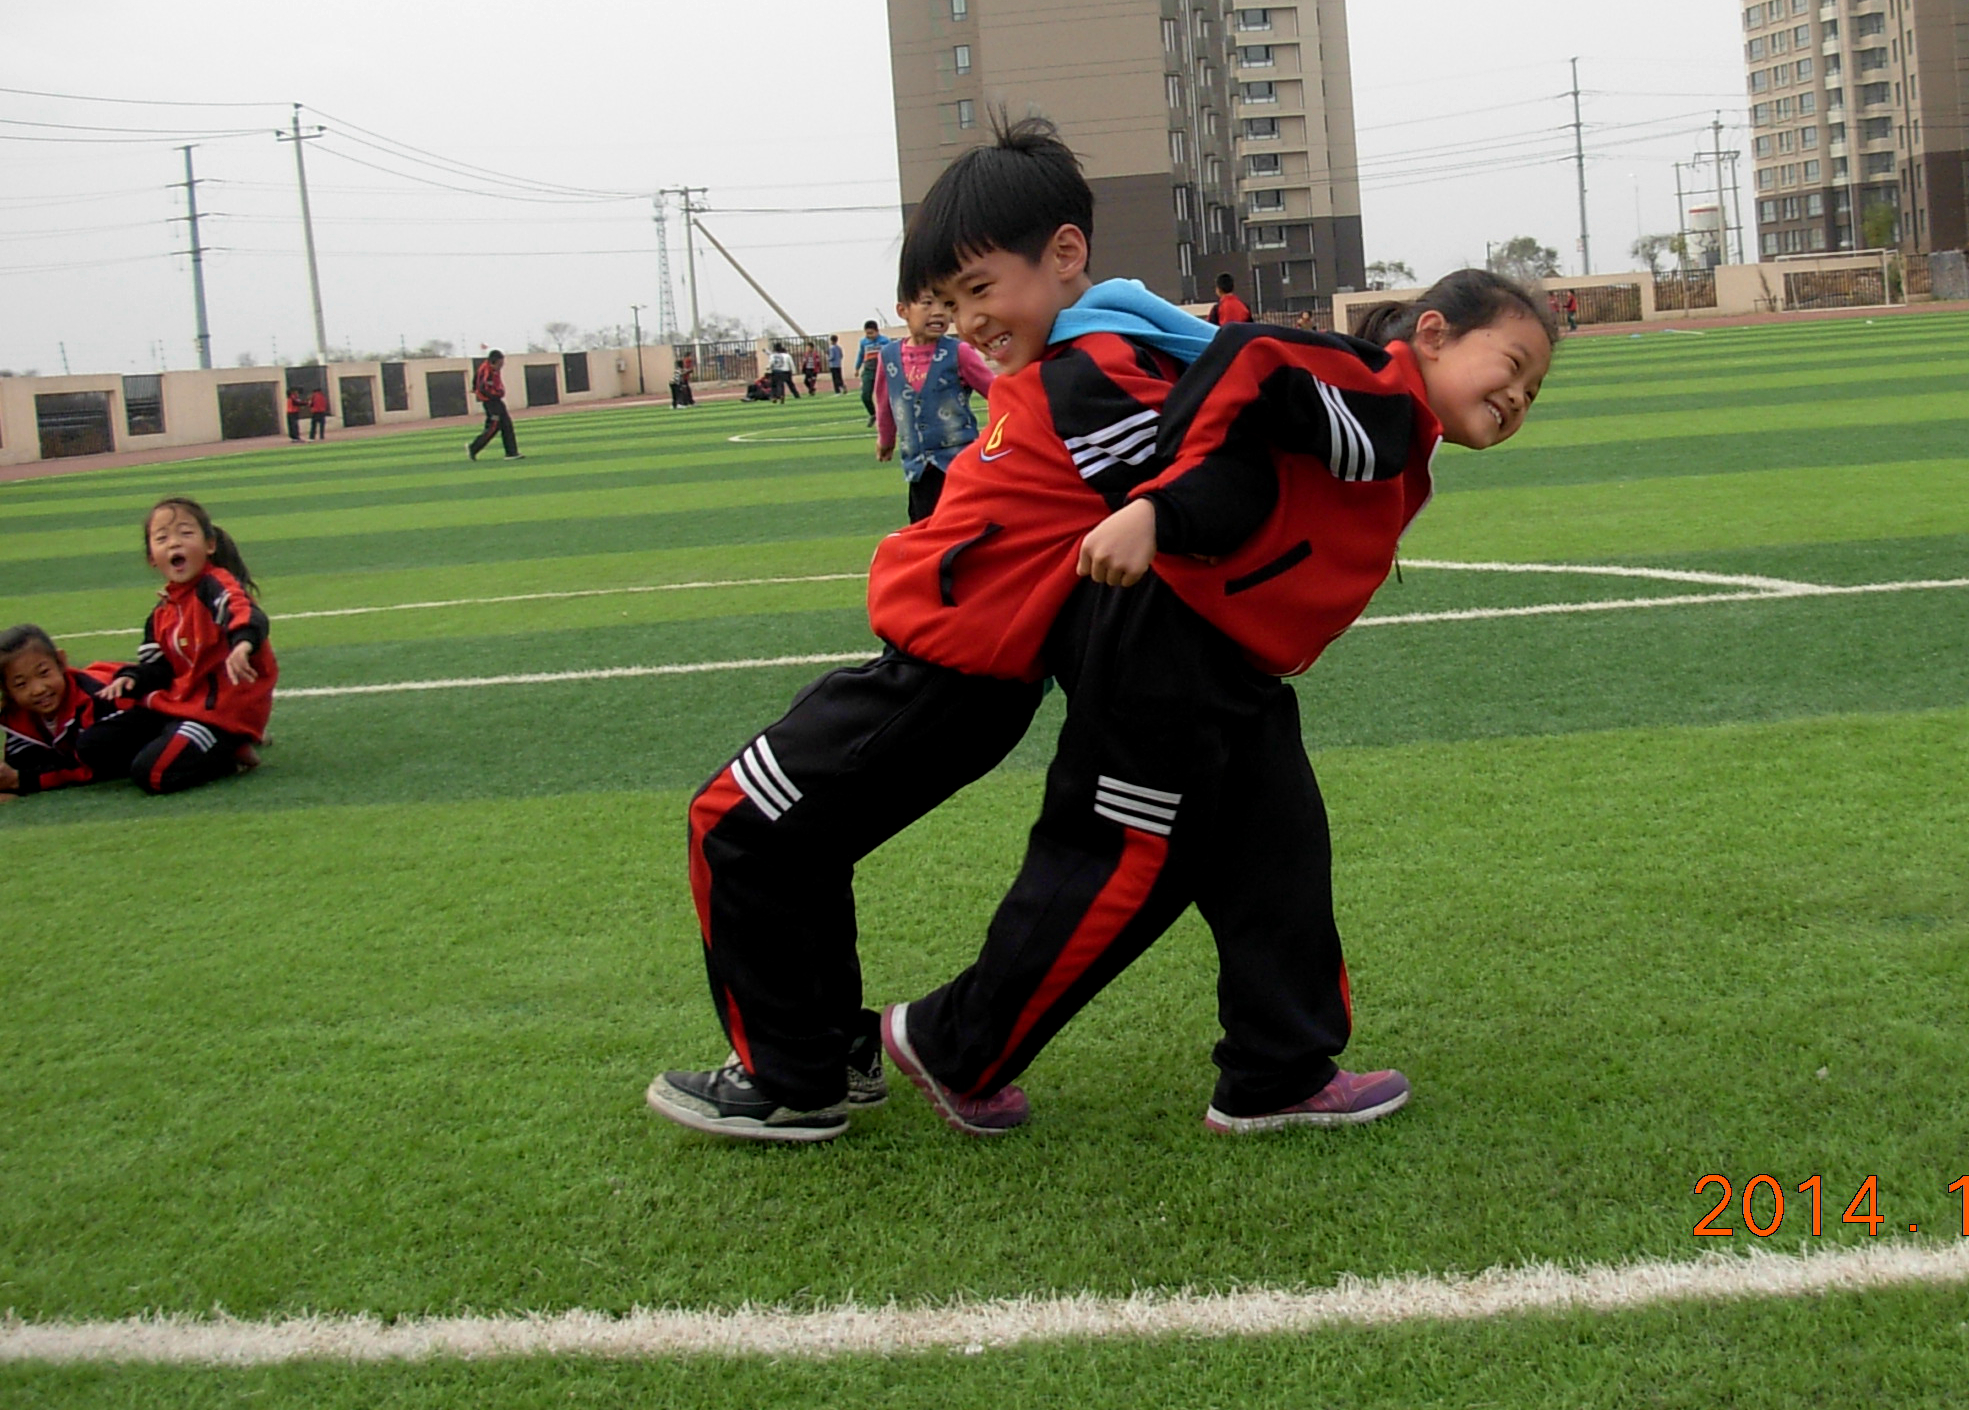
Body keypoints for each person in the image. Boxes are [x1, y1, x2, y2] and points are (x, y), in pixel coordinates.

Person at [882, 269, 1556, 1139]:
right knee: (1118, 860)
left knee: (1280, 851)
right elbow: (1249, 363)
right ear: (1432, 335)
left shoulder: (1400, 429)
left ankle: (1277, 1072)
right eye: (1510, 364)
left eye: (1532, 391)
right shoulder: (1364, 381)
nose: (1516, 396)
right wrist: (1161, 509)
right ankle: (951, 1043)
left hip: (1234, 669)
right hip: (1168, 646)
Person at [647, 119, 1218, 1144]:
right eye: (949, 308)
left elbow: (1217, 440)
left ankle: (789, 1082)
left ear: (1065, 255)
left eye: (978, 294)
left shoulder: (1099, 372)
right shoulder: (1059, 368)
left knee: (733, 821)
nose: (965, 326)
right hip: (932, 674)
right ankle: (831, 1051)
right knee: (791, 838)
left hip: (946, 686)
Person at [73, 498, 276, 794]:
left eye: (185, 533)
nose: (173, 544)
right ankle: (190, 747)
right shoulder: (161, 613)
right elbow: (159, 669)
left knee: (153, 774)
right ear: (152, 557)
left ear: (210, 545)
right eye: (162, 538)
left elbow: (244, 613)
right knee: (91, 747)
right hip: (178, 706)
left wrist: (242, 645)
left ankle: (227, 751)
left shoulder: (215, 585)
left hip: (221, 712)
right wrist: (131, 679)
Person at [874, 291, 994, 524]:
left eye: (946, 304)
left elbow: (996, 391)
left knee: (965, 529)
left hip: (960, 466)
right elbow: (884, 401)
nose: (938, 312)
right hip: (919, 471)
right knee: (925, 531)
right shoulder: (888, 356)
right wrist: (886, 439)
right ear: (903, 311)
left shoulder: (959, 352)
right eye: (927, 304)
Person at [0, 625, 134, 798]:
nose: (38, 689)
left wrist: (23, 781)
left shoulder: (98, 697)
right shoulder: (15, 716)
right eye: (20, 684)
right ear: (7, 690)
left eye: (44, 673)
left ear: (61, 661)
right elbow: (23, 764)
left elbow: (97, 766)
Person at [468, 349, 520, 459]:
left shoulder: (492, 369)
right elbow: (482, 388)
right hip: (491, 403)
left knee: (507, 425)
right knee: (493, 427)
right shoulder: (485, 370)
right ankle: (473, 447)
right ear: (494, 362)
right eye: (501, 363)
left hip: (496, 401)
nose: (502, 366)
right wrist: (495, 395)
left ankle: (511, 453)